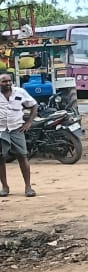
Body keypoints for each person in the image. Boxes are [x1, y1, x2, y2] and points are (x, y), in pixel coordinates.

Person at [0, 68, 37, 197]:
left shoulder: (20, 92)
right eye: (4, 81)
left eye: (9, 81)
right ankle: (4, 187)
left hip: (16, 129)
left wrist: (29, 123)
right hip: (1, 131)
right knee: (1, 158)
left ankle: (28, 187)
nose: (8, 83)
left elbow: (34, 105)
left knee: (22, 156)